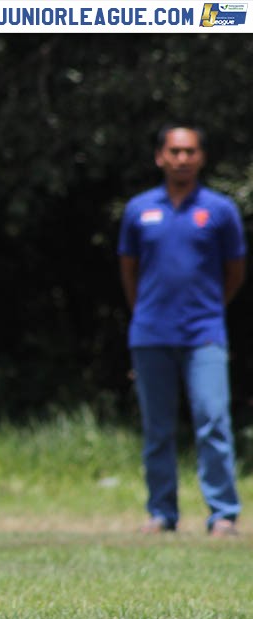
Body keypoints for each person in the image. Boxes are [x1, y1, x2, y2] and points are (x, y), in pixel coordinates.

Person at [118, 124, 246, 537]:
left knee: (213, 420)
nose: (182, 158)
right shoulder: (139, 209)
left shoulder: (221, 210)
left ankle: (223, 513)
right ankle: (162, 513)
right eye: (174, 151)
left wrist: (210, 309)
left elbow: (235, 271)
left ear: (201, 158)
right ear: (160, 157)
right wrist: (145, 313)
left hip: (204, 333)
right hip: (151, 332)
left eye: (190, 151)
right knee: (158, 428)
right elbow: (129, 270)